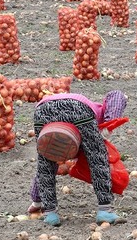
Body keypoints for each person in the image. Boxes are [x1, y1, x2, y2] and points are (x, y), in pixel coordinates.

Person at [27, 90, 127, 226]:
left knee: (46, 160)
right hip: (77, 109)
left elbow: (42, 171)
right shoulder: (99, 113)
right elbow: (117, 94)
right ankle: (105, 210)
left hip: (42, 112)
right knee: (97, 159)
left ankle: (50, 213)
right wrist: (109, 125)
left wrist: (36, 201)